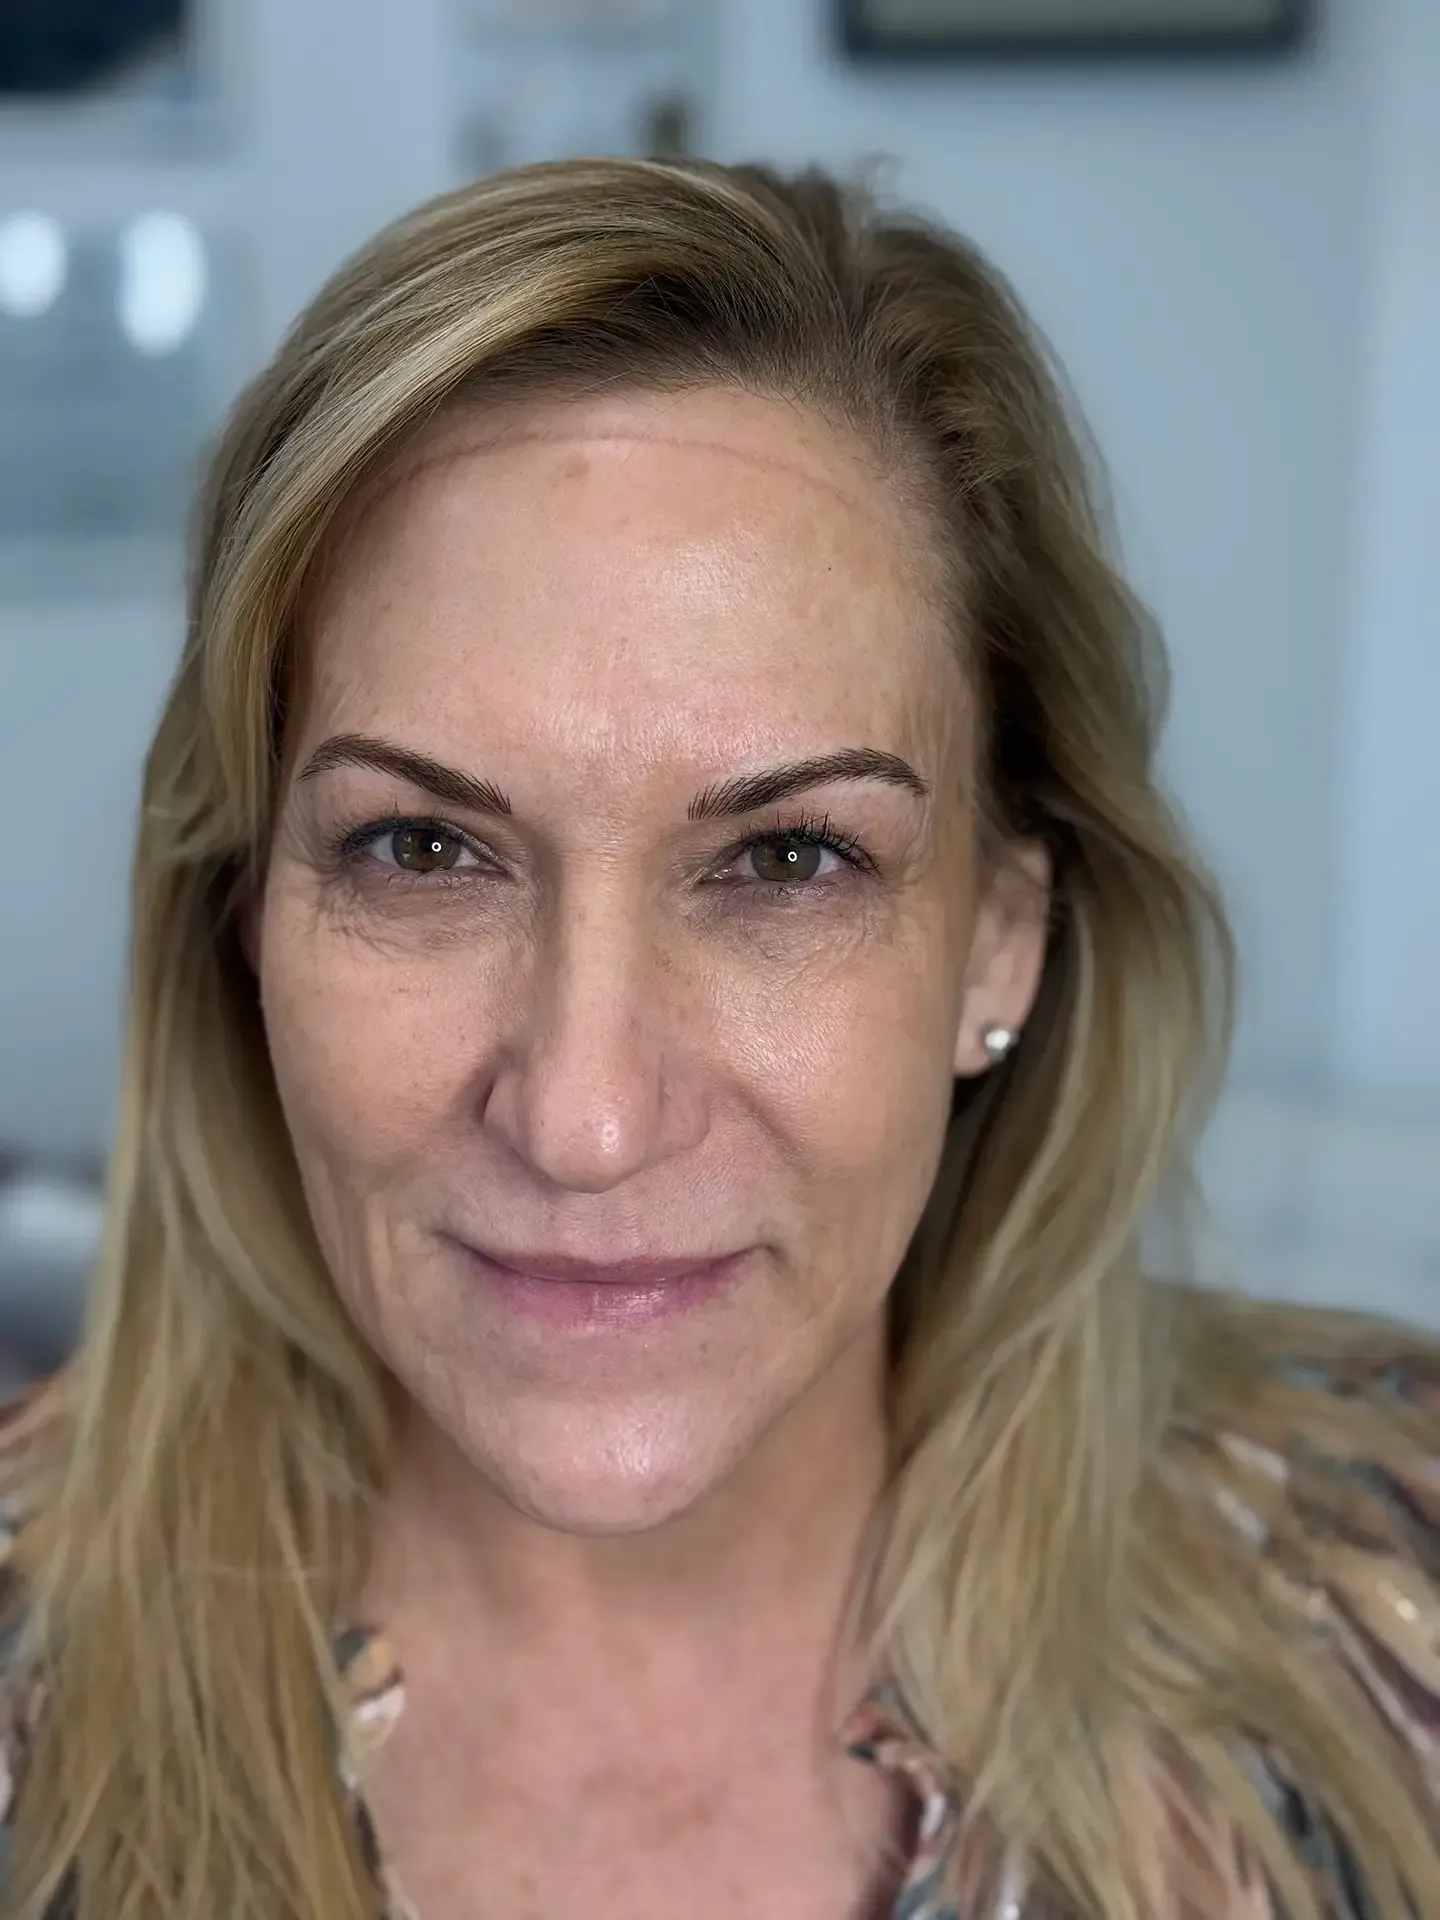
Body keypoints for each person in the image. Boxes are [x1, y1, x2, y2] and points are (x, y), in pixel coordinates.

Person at [0, 157, 1435, 1920]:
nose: (585, 1118)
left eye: (786, 860)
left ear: (1003, 935)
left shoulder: (1396, 1571)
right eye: (423, 848)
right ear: (246, 922)